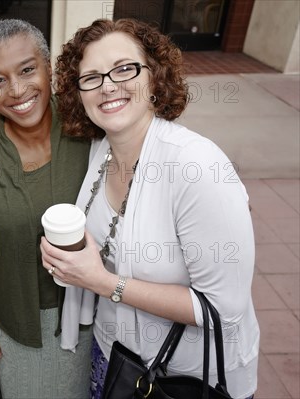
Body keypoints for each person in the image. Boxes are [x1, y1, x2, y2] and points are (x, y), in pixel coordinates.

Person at [41, 18, 259, 399]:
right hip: (117, 360)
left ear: (154, 77)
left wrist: (101, 281)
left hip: (186, 380)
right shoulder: (100, 150)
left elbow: (224, 312)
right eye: (91, 77)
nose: (108, 85)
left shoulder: (197, 167)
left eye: (124, 69)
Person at [0, 19, 92, 398]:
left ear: (49, 67)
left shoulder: (87, 126)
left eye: (27, 70)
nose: (16, 91)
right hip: (13, 324)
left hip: (89, 313)